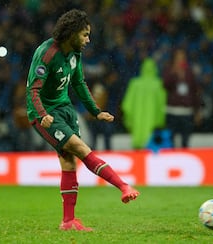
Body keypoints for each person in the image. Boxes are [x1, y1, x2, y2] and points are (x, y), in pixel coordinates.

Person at [25, 9, 139, 232]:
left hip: (65, 109)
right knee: (79, 147)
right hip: (45, 113)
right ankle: (123, 186)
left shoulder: (74, 53)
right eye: (85, 35)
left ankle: (68, 221)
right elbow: (33, 90)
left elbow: (79, 84)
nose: (88, 40)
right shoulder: (47, 53)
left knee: (69, 161)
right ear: (72, 33)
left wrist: (96, 111)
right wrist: (42, 114)